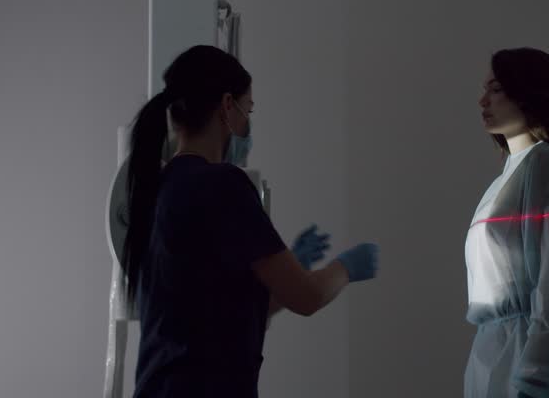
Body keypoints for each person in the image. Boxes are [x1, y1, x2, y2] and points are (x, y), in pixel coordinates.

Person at [122, 45, 379, 398]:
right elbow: (308, 297)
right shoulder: (222, 184)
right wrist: (348, 266)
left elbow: (215, 311)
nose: (248, 123)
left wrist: (291, 266)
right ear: (227, 107)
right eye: (249, 109)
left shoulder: (158, 189)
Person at [463, 47, 549, 398]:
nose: (483, 101)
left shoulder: (542, 164)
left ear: (527, 93)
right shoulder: (504, 180)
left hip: (526, 360)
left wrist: (536, 379)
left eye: (495, 89)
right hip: (492, 359)